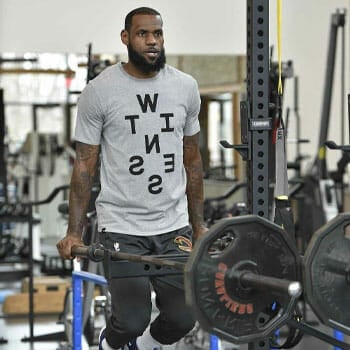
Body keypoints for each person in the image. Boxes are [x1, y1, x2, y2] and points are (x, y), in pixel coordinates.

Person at [56, 6, 207, 350]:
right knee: (131, 319)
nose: (152, 41)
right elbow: (83, 165)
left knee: (186, 315)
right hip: (122, 226)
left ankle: (147, 347)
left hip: (173, 226)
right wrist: (73, 232)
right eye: (143, 34)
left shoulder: (185, 87)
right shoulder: (101, 90)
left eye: (157, 34)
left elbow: (193, 160)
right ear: (126, 38)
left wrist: (198, 227)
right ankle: (109, 346)